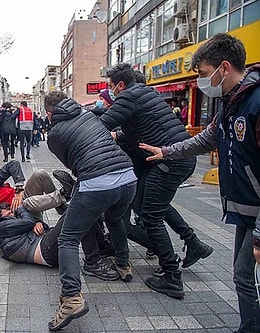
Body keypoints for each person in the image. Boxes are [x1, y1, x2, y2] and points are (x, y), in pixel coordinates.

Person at [139, 33, 260, 333]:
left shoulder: (255, 103)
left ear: (224, 67)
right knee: (242, 275)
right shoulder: (231, 103)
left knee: (243, 276)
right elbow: (207, 139)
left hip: (258, 213)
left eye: (204, 74)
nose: (203, 82)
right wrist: (166, 151)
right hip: (246, 209)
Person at [100, 63, 197, 300]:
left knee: (151, 215)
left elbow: (101, 124)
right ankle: (187, 247)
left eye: (111, 87)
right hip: (177, 157)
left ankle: (172, 276)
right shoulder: (146, 92)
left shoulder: (129, 96)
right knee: (147, 209)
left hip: (169, 161)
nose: (111, 92)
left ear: (120, 85)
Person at [45, 91, 137, 331]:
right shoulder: (89, 115)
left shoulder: (54, 134)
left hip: (97, 182)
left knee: (67, 239)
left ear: (48, 113)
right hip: (128, 176)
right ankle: (124, 266)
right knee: (115, 219)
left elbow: (72, 164)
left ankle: (72, 298)